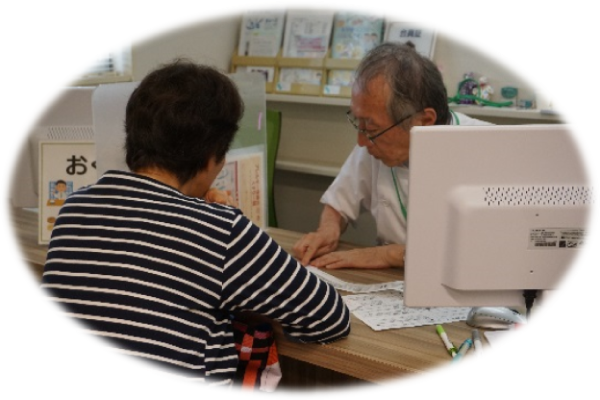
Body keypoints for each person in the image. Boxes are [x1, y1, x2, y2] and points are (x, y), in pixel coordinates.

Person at [39, 60, 350, 391]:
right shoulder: (221, 230)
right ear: (212, 156)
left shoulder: (74, 208)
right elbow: (329, 316)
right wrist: (222, 221)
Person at [293, 42, 490, 270]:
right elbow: (340, 200)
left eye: (371, 128)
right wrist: (328, 230)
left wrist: (389, 255)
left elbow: (486, 248)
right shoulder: (374, 141)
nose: (361, 141)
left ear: (424, 121)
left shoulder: (486, 148)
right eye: (358, 121)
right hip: (392, 278)